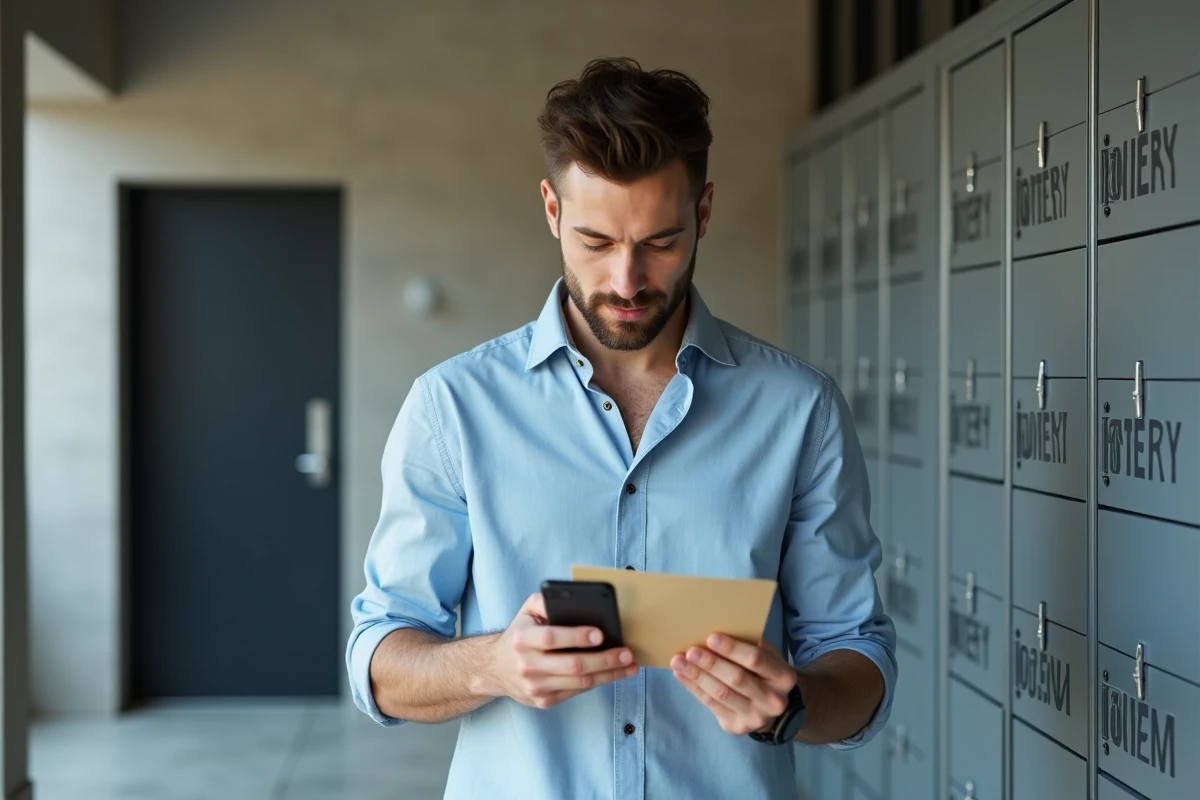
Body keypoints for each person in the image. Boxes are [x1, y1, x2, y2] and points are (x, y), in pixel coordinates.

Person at [347, 57, 896, 799]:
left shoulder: (799, 411)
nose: (627, 281)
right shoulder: (452, 408)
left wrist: (795, 702)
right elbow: (380, 659)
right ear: (551, 211)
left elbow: (858, 657)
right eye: (597, 242)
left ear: (703, 214)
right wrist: (493, 665)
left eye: (660, 242)